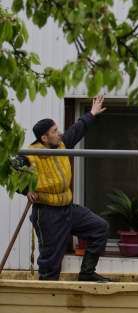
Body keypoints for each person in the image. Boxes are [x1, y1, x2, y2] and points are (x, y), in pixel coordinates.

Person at [18, 95, 110, 282]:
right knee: (50, 264)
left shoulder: (61, 144)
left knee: (100, 228)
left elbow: (78, 129)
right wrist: (26, 189)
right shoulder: (30, 154)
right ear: (44, 137)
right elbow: (9, 170)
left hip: (67, 209)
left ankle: (86, 273)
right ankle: (46, 302)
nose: (59, 133)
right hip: (47, 214)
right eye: (54, 131)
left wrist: (91, 113)